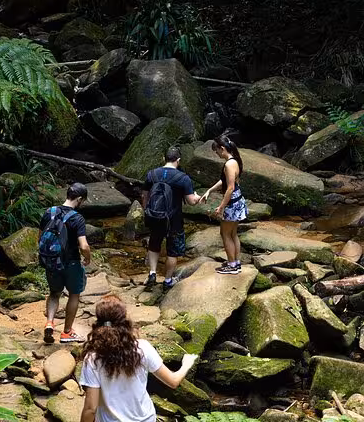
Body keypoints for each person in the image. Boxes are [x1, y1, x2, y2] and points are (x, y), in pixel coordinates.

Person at [79, 295, 198, 422]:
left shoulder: (93, 358)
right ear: (125, 320)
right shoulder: (142, 348)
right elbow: (173, 381)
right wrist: (186, 364)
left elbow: (91, 408)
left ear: (98, 322)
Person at [39, 182, 91, 344]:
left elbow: (40, 237)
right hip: (71, 262)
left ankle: (49, 322)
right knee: (74, 294)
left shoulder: (49, 212)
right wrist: (87, 257)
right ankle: (67, 332)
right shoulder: (77, 218)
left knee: (55, 293)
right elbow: (83, 245)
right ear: (80, 199)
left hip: (52, 261)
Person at [142, 146, 201, 290]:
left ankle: (152, 272)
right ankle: (168, 280)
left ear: (164, 158)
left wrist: (147, 211)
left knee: (154, 244)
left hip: (155, 216)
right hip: (174, 220)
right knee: (173, 250)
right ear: (178, 160)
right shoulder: (183, 178)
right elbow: (191, 201)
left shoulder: (152, 174)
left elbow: (144, 195)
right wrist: (198, 197)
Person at [200, 135, 247, 275]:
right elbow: (225, 181)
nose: (216, 154)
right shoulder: (235, 160)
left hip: (232, 203)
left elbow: (230, 188)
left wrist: (221, 207)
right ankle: (236, 262)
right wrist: (210, 190)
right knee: (233, 233)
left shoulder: (228, 164)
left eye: (216, 151)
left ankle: (232, 266)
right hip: (238, 201)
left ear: (222, 148)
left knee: (225, 233)